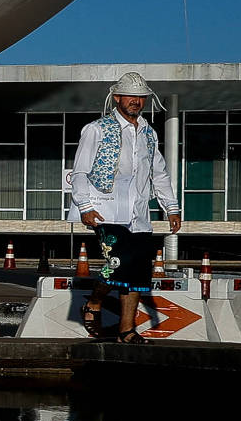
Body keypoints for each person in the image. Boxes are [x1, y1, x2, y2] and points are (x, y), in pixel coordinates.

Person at [69, 72, 182, 342]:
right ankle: (94, 302)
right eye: (131, 96)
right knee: (119, 262)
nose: (136, 101)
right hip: (105, 211)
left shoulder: (148, 133)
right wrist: (84, 206)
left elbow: (159, 174)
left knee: (137, 274)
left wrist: (171, 207)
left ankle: (126, 330)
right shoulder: (96, 129)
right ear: (117, 97)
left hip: (139, 214)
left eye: (141, 97)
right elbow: (80, 172)